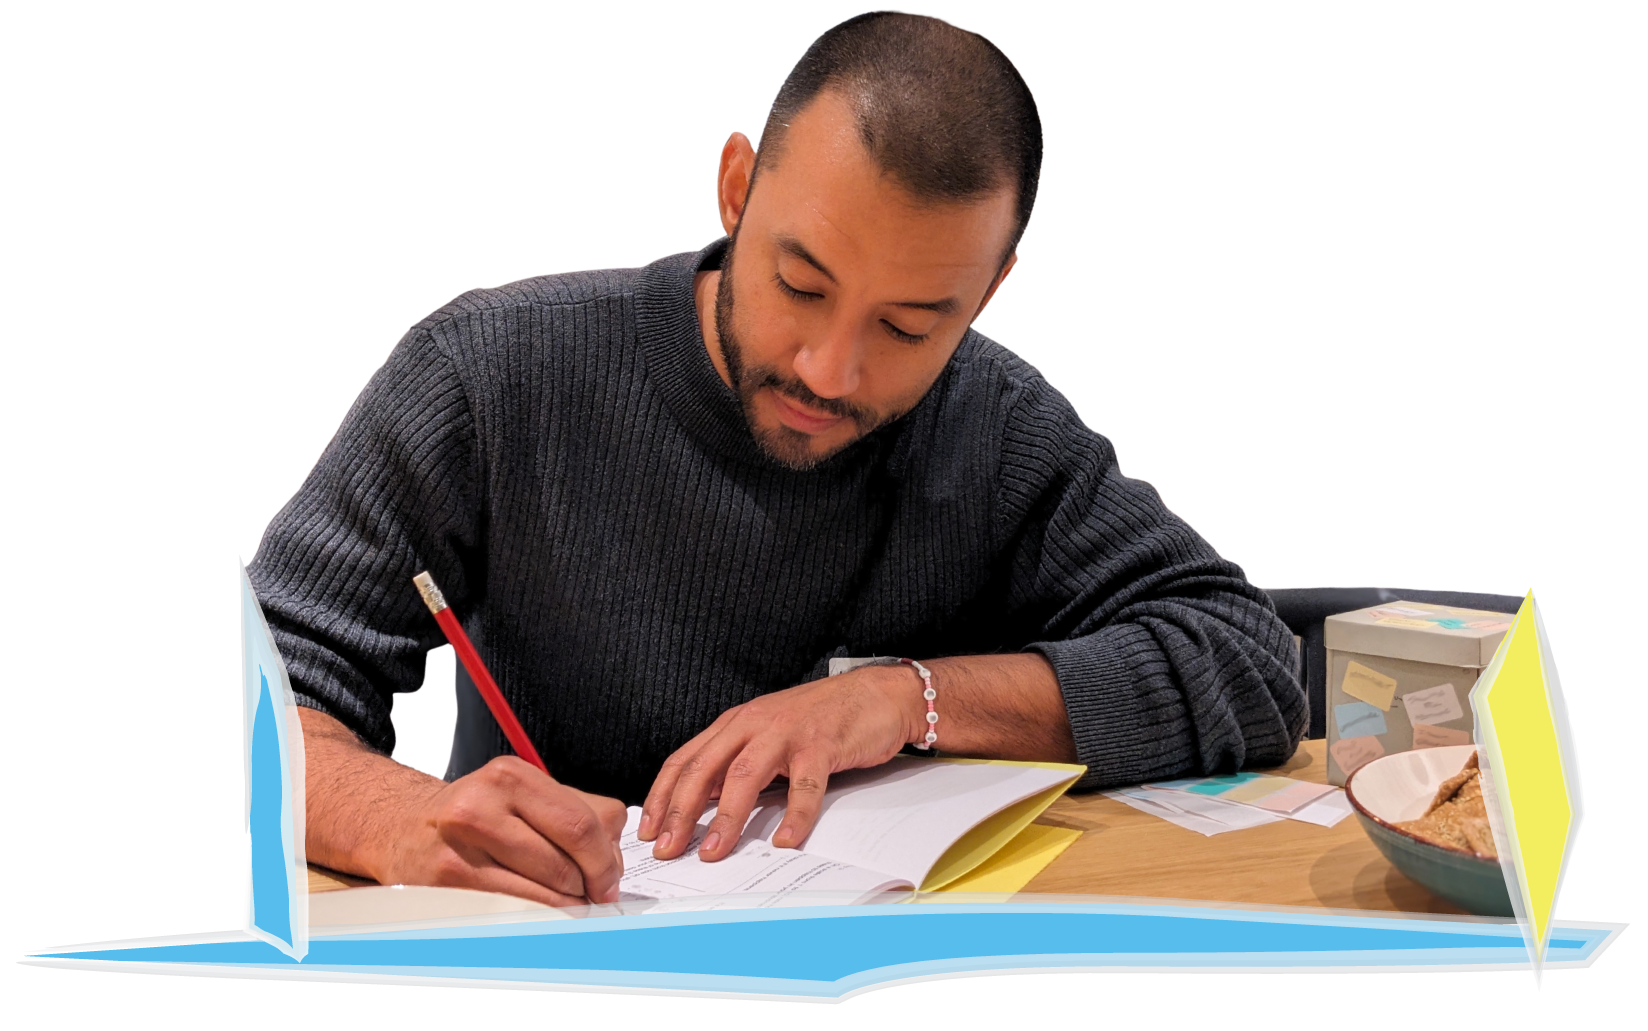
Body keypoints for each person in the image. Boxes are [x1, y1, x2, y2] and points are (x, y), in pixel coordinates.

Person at [249, 12, 1304, 908]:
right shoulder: (489, 374)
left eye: (909, 325)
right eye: (801, 284)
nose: (831, 370)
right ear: (737, 186)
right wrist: (393, 813)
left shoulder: (996, 419)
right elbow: (256, 682)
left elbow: (1247, 664)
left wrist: (907, 699)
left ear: (994, 291)